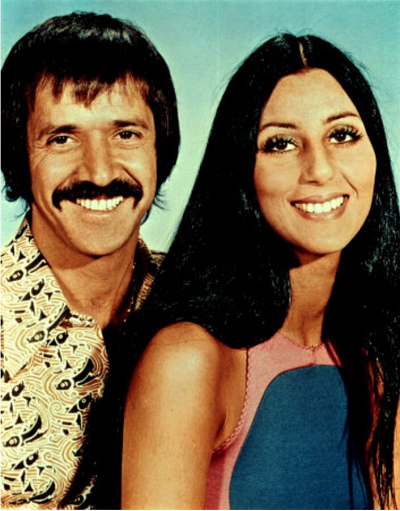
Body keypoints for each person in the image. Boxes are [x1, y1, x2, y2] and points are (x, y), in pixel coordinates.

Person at [121, 34, 400, 509]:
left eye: (342, 135)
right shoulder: (189, 359)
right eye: (281, 143)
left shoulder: (381, 348)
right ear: (241, 172)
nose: (320, 169)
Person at [1, 11, 179, 509]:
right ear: (18, 156)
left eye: (126, 134)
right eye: (62, 137)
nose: (99, 171)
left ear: (160, 149)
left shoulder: (199, 300)